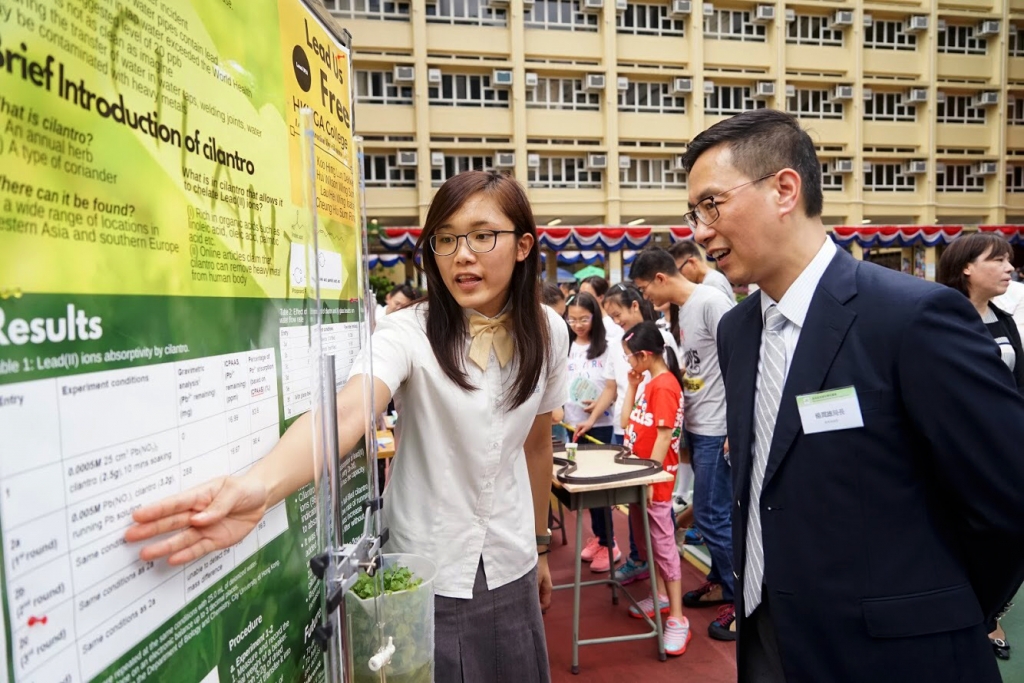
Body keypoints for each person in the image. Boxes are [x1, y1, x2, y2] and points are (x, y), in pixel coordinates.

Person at [125, 171, 568, 683]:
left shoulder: (550, 331)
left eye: (482, 234)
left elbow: (536, 446)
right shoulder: (408, 332)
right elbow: (349, 412)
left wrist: (538, 547)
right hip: (427, 571)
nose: (462, 254)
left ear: (523, 246)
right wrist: (259, 487)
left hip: (511, 561)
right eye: (446, 238)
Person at [682, 108, 1024, 682]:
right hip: (769, 640)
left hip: (898, 656)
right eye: (693, 213)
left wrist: (935, 612)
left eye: (712, 205)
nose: (699, 231)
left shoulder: (910, 317)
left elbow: (1006, 497)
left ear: (784, 189)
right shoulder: (737, 331)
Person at [630, 247, 738, 642]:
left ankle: (739, 598)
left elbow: (741, 361)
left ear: (661, 277)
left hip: (717, 427)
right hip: (698, 424)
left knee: (712, 515)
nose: (645, 299)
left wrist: (735, 427)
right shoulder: (678, 312)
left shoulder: (710, 301)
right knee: (708, 511)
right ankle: (719, 583)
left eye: (644, 289)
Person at [938, 232, 1024, 661]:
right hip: (958, 452)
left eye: (1011, 260)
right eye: (999, 260)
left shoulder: (1004, 318)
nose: (1010, 267)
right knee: (965, 535)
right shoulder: (939, 317)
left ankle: (989, 608)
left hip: (1004, 448)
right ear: (967, 267)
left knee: (1010, 536)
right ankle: (977, 617)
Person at [619, 321, 692, 656]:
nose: (629, 365)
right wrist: (632, 386)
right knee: (648, 541)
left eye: (631, 360)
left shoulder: (664, 386)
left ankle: (677, 617)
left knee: (662, 545)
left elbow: (664, 436)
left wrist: (650, 476)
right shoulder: (650, 383)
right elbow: (625, 423)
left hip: (654, 482)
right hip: (642, 478)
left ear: (645, 355)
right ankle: (661, 595)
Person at [564, 291, 621, 572]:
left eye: (583, 319)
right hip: (571, 425)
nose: (577, 324)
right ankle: (600, 537)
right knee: (585, 490)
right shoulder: (565, 346)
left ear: (595, 317)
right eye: (572, 319)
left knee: (601, 490)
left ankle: (610, 544)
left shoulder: (608, 347)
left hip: (601, 426)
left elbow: (611, 388)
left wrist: (597, 408)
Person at [668, 240, 737, 303]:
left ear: (692, 262)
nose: (679, 276)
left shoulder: (712, 284)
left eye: (679, 271)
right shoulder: (710, 281)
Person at [579, 275, 625, 341]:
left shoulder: (611, 324)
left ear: (601, 297)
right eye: (580, 293)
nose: (581, 298)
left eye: (586, 294)